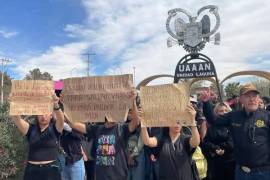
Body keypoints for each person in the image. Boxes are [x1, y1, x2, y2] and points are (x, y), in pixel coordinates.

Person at [201, 83, 270, 180]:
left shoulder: (267, 116)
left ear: (258, 98)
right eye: (247, 96)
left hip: (264, 172)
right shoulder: (234, 116)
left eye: (254, 96)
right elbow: (213, 121)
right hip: (241, 172)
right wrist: (206, 102)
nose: (252, 99)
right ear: (241, 99)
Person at [65, 100, 140, 180]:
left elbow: (136, 122)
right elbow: (73, 124)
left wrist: (133, 101)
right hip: (100, 176)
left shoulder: (122, 128)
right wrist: (63, 104)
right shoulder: (97, 129)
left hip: (119, 176)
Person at [10, 94, 65, 180]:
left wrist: (55, 104)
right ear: (36, 115)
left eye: (46, 113)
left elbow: (61, 119)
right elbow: (17, 120)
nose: (43, 116)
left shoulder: (56, 129)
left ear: (51, 115)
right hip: (32, 171)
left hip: (51, 170)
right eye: (40, 114)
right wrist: (13, 103)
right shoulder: (30, 129)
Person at [140, 104, 200, 180]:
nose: (177, 124)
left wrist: (192, 121)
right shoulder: (161, 139)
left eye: (179, 121)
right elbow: (147, 141)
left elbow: (196, 142)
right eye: (174, 121)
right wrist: (143, 123)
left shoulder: (186, 139)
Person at [201, 102, 235, 180]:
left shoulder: (232, 125)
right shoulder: (212, 127)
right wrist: (215, 148)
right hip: (215, 162)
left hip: (230, 161)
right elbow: (206, 142)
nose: (224, 113)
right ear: (216, 113)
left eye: (226, 110)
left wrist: (221, 148)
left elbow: (232, 142)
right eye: (221, 111)